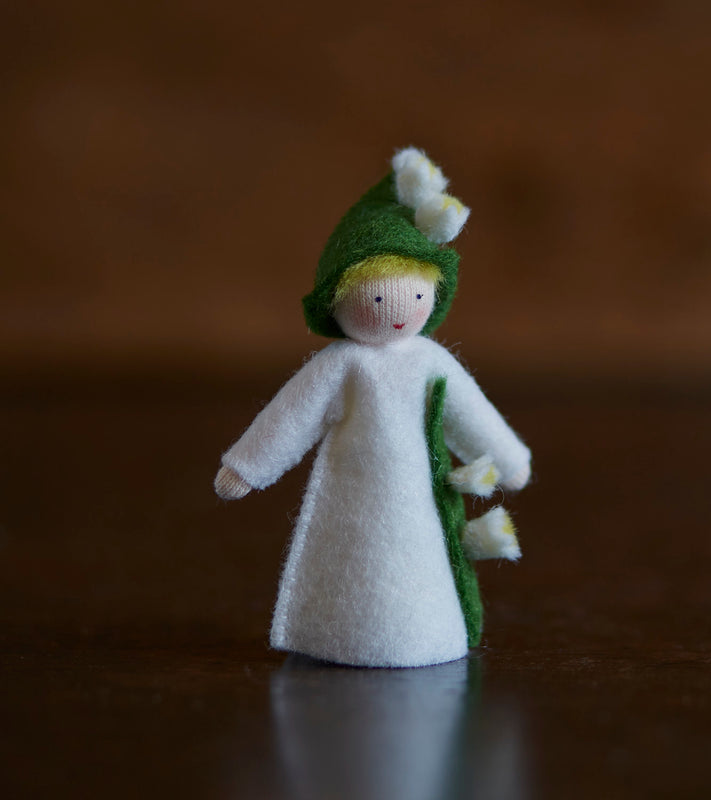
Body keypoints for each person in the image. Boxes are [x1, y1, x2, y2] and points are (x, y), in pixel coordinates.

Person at [214, 148, 532, 667]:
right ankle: (344, 636)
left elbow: (471, 412)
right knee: (354, 558)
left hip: (419, 498)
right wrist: (247, 466)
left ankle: (422, 635)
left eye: (417, 295)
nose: (400, 311)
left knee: (419, 556)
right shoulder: (342, 365)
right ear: (336, 301)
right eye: (378, 298)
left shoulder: (431, 361)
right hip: (352, 495)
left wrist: (507, 459)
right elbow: (290, 417)